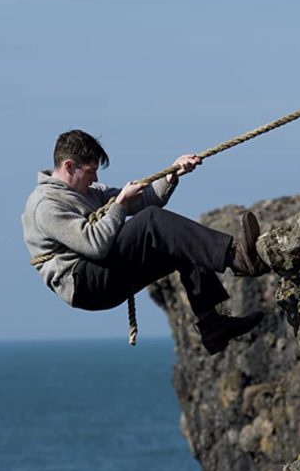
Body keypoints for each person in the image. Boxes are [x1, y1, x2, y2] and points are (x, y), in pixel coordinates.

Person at [22, 129, 269, 354]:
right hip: (84, 284)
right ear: (69, 166)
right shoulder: (45, 205)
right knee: (152, 221)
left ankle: (212, 325)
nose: (95, 177)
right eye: (90, 171)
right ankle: (239, 259)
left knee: (178, 242)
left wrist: (173, 175)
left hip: (101, 271)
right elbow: (93, 245)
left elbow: (145, 200)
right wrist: (119, 205)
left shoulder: (89, 192)